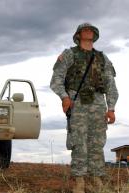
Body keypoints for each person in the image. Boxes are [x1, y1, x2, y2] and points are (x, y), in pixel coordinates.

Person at [50, 23, 118, 193]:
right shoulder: (69, 55)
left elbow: (110, 84)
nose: (88, 32)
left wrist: (111, 108)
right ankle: (79, 182)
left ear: (95, 35)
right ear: (78, 35)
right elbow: (56, 79)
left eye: (91, 30)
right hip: (77, 101)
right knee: (79, 141)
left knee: (97, 142)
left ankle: (96, 179)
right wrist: (65, 97)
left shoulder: (103, 58)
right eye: (84, 30)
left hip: (97, 102)